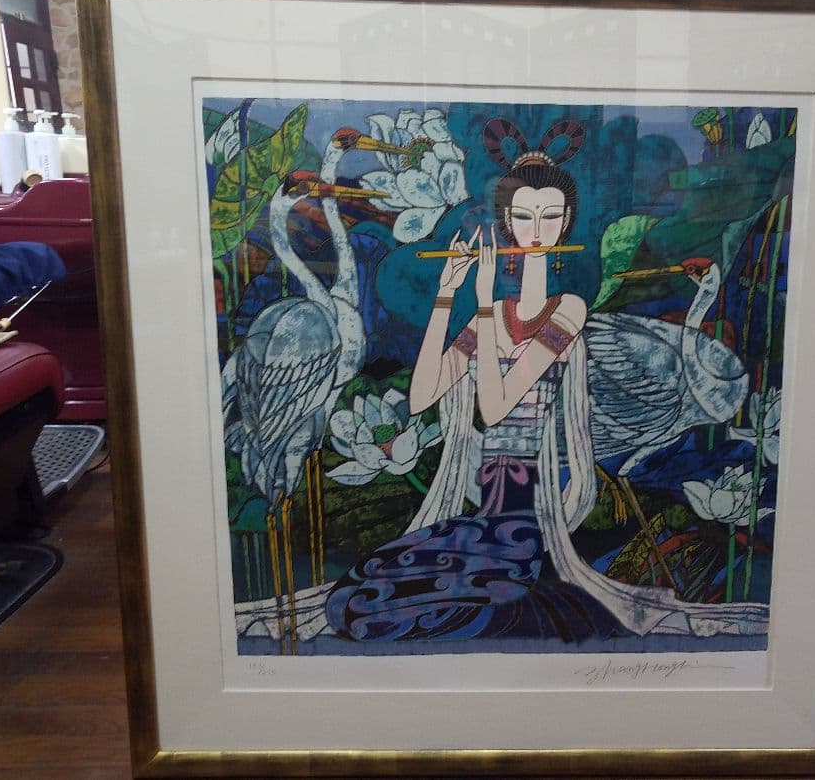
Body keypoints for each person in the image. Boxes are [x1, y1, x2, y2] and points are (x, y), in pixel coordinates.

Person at [325, 118, 768, 643]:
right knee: (355, 598)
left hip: (529, 516)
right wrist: (447, 295)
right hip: (486, 506)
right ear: (506, 224)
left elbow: (496, 405)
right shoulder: (491, 318)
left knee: (390, 609)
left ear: (566, 223)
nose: (536, 229)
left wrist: (483, 301)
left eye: (550, 216)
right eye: (523, 216)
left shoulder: (568, 311)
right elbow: (422, 397)